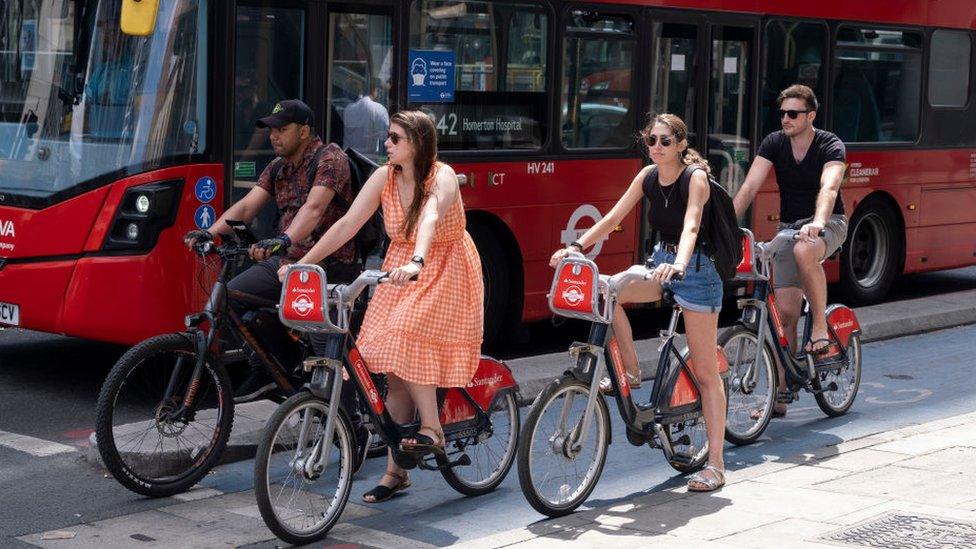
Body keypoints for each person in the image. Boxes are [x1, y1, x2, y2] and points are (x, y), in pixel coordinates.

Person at [278, 110, 484, 503]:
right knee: (388, 364)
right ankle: (396, 473)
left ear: (418, 143)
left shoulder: (440, 175)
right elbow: (346, 225)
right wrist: (303, 264)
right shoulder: (384, 176)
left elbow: (430, 217)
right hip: (399, 266)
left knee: (407, 333)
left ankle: (432, 428)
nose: (386, 144)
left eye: (394, 138)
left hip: (443, 265)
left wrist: (418, 261)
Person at [183, 99, 370, 466]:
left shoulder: (330, 160)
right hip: (286, 263)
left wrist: (284, 241)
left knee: (327, 347)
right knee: (232, 297)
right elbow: (246, 207)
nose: (274, 136)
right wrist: (209, 233)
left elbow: (314, 210)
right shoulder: (278, 167)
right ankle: (277, 371)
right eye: (271, 130)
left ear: (304, 130)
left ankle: (354, 427)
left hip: (329, 266)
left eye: (281, 129)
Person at [550, 113, 727, 492]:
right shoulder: (647, 176)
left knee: (707, 373)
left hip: (696, 271)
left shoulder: (694, 178)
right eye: (651, 141)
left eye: (665, 141)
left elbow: (692, 224)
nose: (657, 148)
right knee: (608, 291)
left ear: (681, 144)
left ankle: (715, 464)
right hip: (662, 263)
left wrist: (680, 263)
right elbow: (614, 216)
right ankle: (630, 373)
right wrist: (575, 248)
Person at [732, 84, 847, 418]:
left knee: (805, 249)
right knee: (785, 315)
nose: (786, 118)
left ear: (810, 116)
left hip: (829, 223)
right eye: (782, 113)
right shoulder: (774, 142)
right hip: (788, 228)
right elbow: (750, 186)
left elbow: (829, 188)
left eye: (793, 114)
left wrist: (819, 223)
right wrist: (726, 225)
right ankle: (782, 394)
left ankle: (822, 329)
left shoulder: (829, 144)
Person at [342, 78, 389, 159]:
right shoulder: (379, 108)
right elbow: (384, 138)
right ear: (375, 90)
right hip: (370, 160)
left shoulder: (348, 109)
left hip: (348, 157)